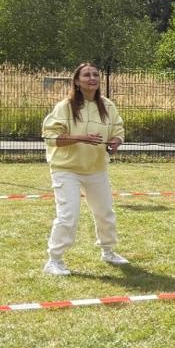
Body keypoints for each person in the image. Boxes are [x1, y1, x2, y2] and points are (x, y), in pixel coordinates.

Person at [41, 62, 129, 275]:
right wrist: (80, 138)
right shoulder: (64, 107)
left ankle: (108, 251)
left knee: (105, 212)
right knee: (68, 215)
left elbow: (117, 127)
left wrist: (116, 140)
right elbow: (50, 137)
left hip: (96, 168)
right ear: (77, 82)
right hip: (66, 169)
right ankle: (54, 260)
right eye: (87, 75)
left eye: (95, 75)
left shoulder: (108, 105)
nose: (93, 78)